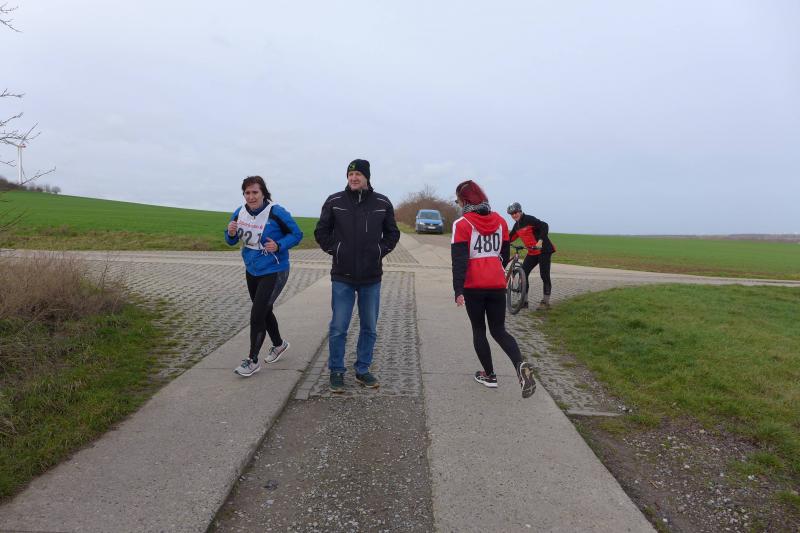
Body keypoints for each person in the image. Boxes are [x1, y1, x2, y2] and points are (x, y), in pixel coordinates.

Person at [314, 159, 400, 393]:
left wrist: (379, 251)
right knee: (339, 327)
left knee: (369, 327)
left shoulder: (382, 202)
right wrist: (337, 250)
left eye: (358, 174)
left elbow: (392, 233)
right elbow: (321, 231)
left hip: (371, 277)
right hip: (342, 276)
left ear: (367, 177)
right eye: (350, 174)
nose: (353, 178)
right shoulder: (334, 201)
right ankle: (336, 371)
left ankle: (363, 369)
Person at [451, 180, 536, 399]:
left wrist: (458, 289)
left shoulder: (462, 224)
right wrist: (494, 266)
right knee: (499, 330)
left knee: (479, 330)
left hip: (474, 285)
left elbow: (459, 261)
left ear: (464, 201)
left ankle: (489, 375)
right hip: (497, 283)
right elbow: (504, 254)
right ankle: (520, 364)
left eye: (458, 201)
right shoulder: (500, 221)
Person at [225, 176, 303, 377]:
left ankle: (252, 360)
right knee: (264, 310)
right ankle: (279, 344)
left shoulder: (276, 212)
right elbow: (231, 240)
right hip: (252, 269)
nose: (251, 197)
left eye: (255, 192)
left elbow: (297, 234)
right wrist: (231, 233)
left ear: (263, 193)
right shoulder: (240, 212)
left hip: (275, 269)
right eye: (247, 193)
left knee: (257, 314)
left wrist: (279, 245)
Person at [507, 202, 556, 310]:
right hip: (532, 252)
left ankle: (545, 302)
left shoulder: (529, 219)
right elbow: (509, 238)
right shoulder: (517, 225)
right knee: (523, 273)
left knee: (544, 275)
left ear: (520, 211)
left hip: (543, 250)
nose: (514, 215)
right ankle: (524, 302)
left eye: (515, 212)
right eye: (512, 214)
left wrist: (540, 241)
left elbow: (544, 225)